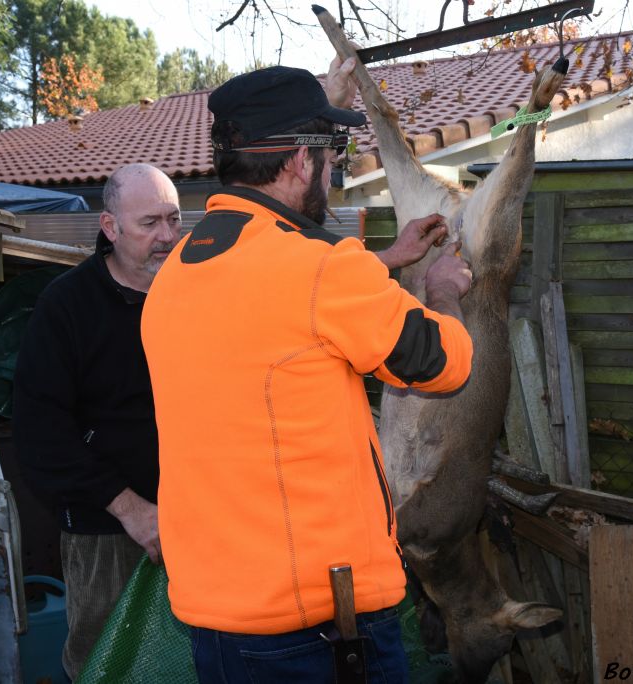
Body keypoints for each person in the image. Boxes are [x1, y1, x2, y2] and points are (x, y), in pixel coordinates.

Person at [140, 62, 475, 683]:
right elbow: (444, 364)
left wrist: (383, 260)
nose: (337, 166)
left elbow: (276, 313)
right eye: (334, 150)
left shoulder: (177, 273)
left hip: (218, 623)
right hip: (317, 632)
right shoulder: (321, 268)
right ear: (300, 160)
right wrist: (441, 292)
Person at [13, 163, 180, 680]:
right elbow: (41, 432)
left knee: (188, 662)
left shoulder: (192, 292)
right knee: (107, 664)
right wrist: (130, 509)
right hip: (107, 533)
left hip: (198, 521)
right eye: (150, 222)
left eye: (174, 220)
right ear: (110, 227)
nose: (167, 237)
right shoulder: (67, 304)